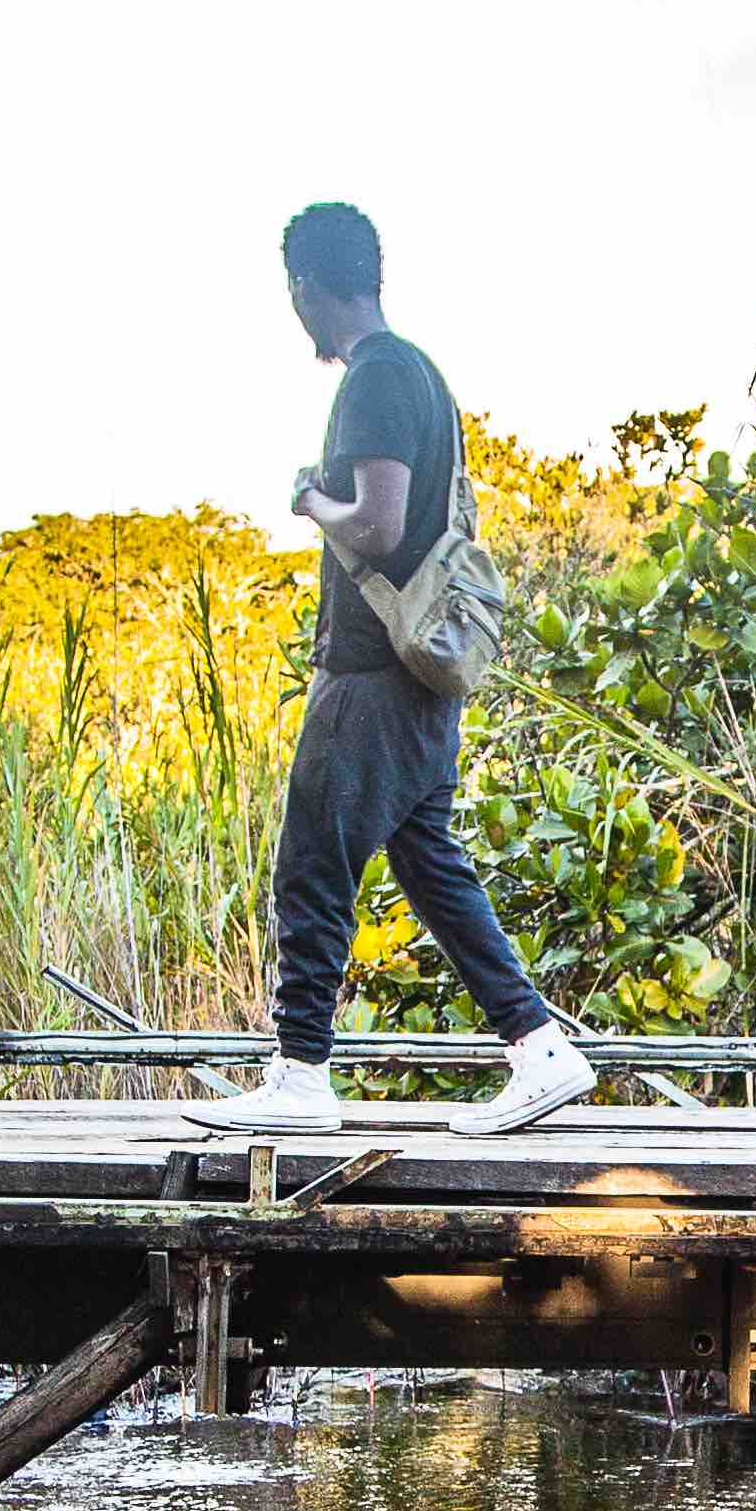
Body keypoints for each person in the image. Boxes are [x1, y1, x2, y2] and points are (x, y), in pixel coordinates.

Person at [212, 201, 593, 1137]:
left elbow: (379, 526)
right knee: (431, 867)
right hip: (424, 682)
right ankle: (541, 1049)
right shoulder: (419, 373)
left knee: (311, 860)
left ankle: (300, 1074)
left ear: (306, 287)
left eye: (291, 294)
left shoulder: (376, 377)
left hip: (374, 674)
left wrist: (311, 501)